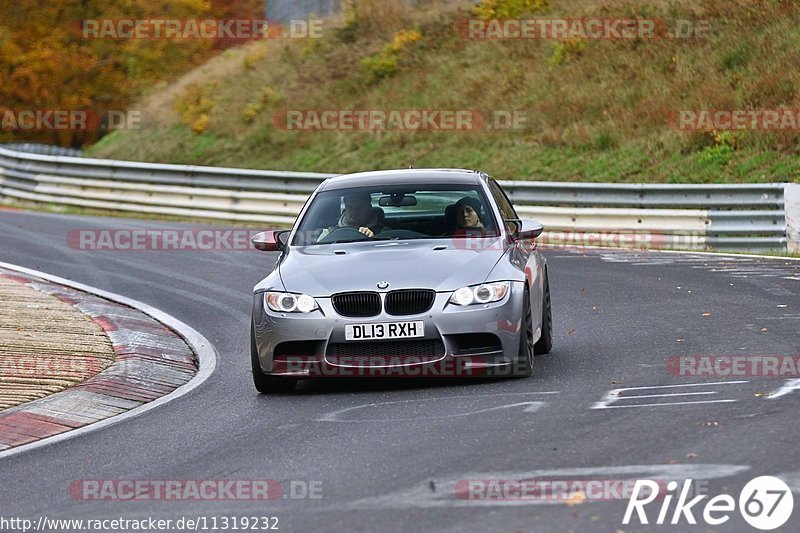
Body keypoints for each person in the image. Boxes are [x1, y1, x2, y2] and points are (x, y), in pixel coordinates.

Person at [317, 192, 388, 241]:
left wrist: (373, 239)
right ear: (345, 208)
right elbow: (318, 253)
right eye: (350, 207)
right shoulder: (329, 233)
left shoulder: (383, 232)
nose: (354, 211)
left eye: (359, 207)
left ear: (369, 209)